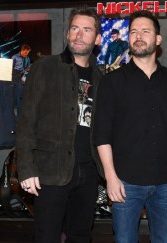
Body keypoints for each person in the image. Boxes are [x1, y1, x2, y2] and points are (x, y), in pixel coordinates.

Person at [93, 10, 167, 243]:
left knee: (164, 239)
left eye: (145, 31)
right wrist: (110, 177)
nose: (138, 36)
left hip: (164, 182)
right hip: (125, 183)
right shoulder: (111, 81)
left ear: (158, 39)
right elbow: (102, 133)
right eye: (133, 32)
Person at [16, 6, 103, 242]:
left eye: (86, 30)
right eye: (74, 28)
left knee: (81, 235)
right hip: (50, 170)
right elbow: (26, 121)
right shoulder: (45, 67)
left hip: (89, 170)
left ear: (97, 38)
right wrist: (26, 168)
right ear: (67, 34)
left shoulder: (101, 77)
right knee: (47, 237)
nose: (78, 35)